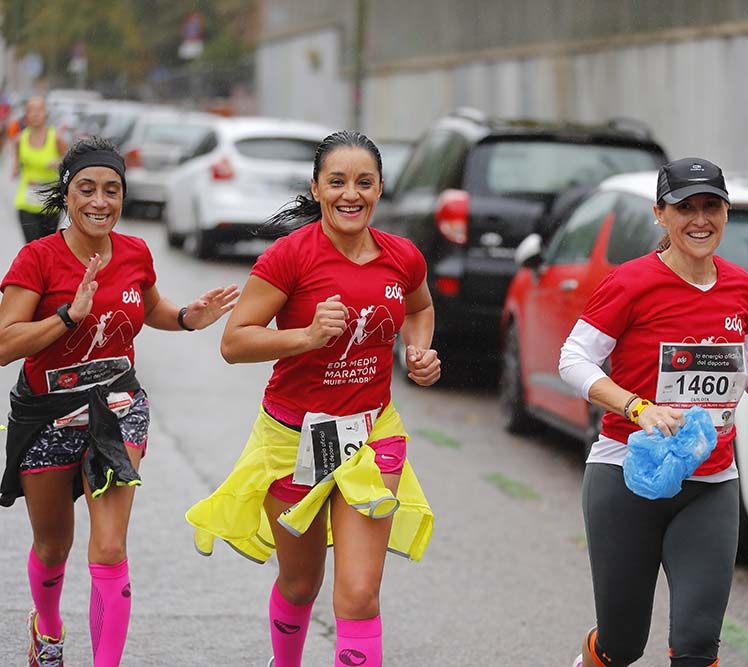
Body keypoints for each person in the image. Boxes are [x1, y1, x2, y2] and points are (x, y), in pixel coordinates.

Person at [185, 130, 440, 667]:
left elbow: (418, 307)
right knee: (300, 585)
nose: (352, 194)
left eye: (364, 183)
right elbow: (234, 341)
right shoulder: (290, 257)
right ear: (317, 188)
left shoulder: (402, 257)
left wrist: (419, 351)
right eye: (338, 182)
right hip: (292, 438)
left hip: (372, 436)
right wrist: (304, 337)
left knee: (357, 594)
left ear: (379, 189)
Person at [559, 157, 748, 667]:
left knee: (698, 645)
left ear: (726, 212)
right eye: (685, 208)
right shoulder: (630, 283)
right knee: (623, 644)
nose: (700, 219)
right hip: (626, 477)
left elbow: (745, 360)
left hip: (711, 482)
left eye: (711, 206)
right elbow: (573, 358)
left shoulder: (739, 284)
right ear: (661, 214)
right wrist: (637, 407)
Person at [0, 136, 240, 667]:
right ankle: (49, 628)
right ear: (67, 194)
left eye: (112, 190)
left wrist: (185, 318)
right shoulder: (37, 259)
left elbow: (148, 305)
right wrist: (66, 317)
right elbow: (2, 345)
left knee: (108, 548)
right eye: (87, 189)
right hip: (48, 410)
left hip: (118, 405)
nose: (100, 201)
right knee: (52, 546)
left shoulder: (135, 253)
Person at [13, 96, 68, 243]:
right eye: (31, 110)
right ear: (26, 115)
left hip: (50, 203)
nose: (35, 114)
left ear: (46, 113)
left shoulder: (56, 138)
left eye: (39, 110)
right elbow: (16, 166)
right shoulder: (19, 140)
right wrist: (16, 169)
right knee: (32, 246)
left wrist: (58, 162)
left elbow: (69, 162)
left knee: (46, 248)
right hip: (26, 201)